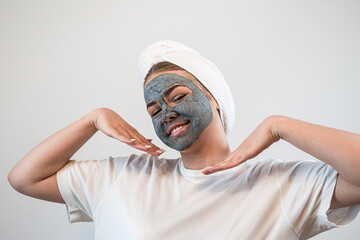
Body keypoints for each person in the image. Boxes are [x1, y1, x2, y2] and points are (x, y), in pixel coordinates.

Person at [7, 40, 360, 240]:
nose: (166, 113)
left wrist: (278, 125)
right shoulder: (123, 176)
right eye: (153, 109)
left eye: (177, 96)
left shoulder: (280, 184)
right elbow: (24, 178)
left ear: (214, 98)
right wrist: (92, 119)